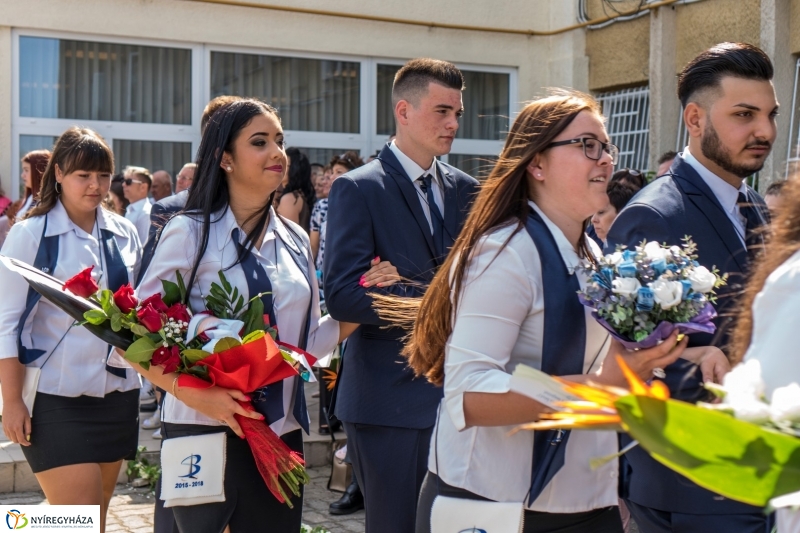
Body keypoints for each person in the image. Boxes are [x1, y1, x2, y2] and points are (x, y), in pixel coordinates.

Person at [379, 89, 717, 533]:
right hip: (498, 507)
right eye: (587, 146)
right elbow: (472, 392)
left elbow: (599, 359)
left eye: (606, 147)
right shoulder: (505, 252)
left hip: (585, 502)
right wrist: (595, 390)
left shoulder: (593, 252)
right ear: (536, 164)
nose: (605, 160)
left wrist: (686, 355)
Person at [134, 98, 389, 532]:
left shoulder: (293, 237)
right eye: (260, 142)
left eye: (280, 141)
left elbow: (303, 346)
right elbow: (137, 333)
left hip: (280, 434)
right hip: (204, 430)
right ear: (225, 159)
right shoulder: (189, 231)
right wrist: (196, 395)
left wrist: (368, 298)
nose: (277, 152)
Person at [606, 42, 776, 533]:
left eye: (769, 114)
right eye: (744, 114)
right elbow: (632, 360)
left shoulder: (756, 207)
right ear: (695, 119)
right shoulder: (653, 214)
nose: (763, 130)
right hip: (691, 485)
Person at [324, 58, 480, 533]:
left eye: (457, 112)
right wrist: (437, 306)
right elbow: (344, 296)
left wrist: (402, 285)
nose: (453, 123)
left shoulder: (467, 190)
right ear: (404, 111)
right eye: (441, 111)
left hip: (458, 397)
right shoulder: (358, 188)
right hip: (387, 400)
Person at [0, 127, 142, 533]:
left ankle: (18, 527)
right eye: (84, 175)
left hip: (116, 393)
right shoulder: (30, 234)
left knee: (89, 516)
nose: (95, 186)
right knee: (80, 521)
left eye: (103, 175)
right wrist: (11, 401)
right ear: (59, 174)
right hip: (53, 399)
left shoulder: (124, 230)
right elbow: (5, 323)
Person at [310, 152, 364, 275]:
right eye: (332, 172)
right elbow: (313, 247)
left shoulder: (363, 205)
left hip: (352, 276)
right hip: (322, 280)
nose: (332, 177)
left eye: (339, 172)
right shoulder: (322, 206)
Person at [591, 179, 641, 246]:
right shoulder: (592, 248)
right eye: (593, 213)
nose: (593, 220)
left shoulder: (643, 252)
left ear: (622, 214)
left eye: (601, 212)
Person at [277, 147, 316, 232]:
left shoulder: (290, 199)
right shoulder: (298, 195)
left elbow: (287, 237)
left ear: (295, 170)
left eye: (285, 165)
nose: (279, 167)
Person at [7, 150, 51, 224]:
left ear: (39, 171)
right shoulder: (29, 198)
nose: (22, 175)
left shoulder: (47, 203)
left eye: (26, 170)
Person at [122, 166, 153, 245]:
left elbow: (144, 247)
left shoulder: (146, 213)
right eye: (124, 181)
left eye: (128, 182)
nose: (123, 184)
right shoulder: (130, 209)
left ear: (143, 187)